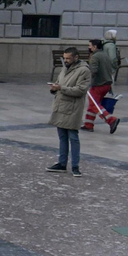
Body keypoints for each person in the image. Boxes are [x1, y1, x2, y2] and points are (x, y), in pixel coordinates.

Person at [48, 46, 91, 176]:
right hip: (60, 106)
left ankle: (75, 166)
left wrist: (61, 87)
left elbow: (80, 90)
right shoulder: (64, 68)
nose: (65, 60)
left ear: (76, 58)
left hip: (72, 108)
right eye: (64, 58)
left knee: (73, 137)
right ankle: (62, 163)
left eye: (68, 58)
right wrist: (54, 88)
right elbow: (58, 82)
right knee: (62, 136)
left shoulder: (84, 71)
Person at [83, 38, 120, 133]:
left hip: (98, 84)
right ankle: (88, 124)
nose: (88, 48)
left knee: (94, 104)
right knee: (93, 104)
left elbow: (93, 71)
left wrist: (84, 78)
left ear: (95, 47)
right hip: (107, 84)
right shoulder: (105, 55)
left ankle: (111, 120)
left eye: (90, 46)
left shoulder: (95, 57)